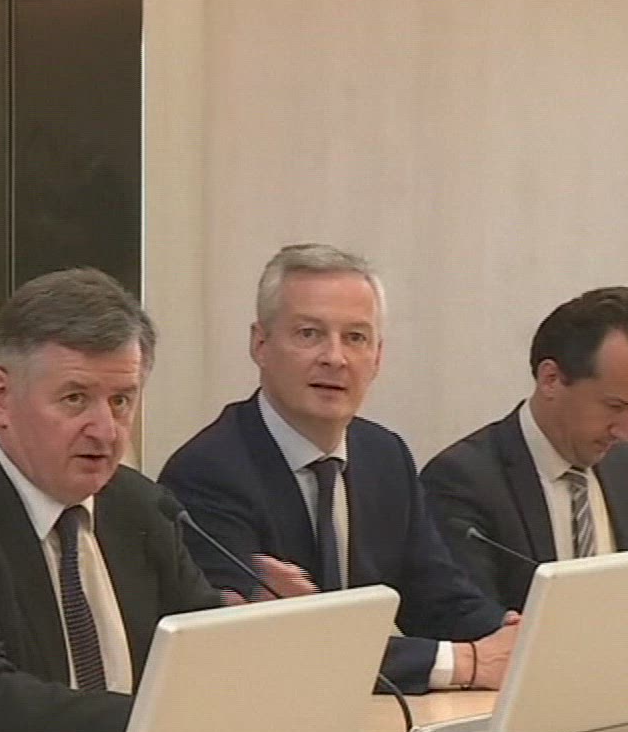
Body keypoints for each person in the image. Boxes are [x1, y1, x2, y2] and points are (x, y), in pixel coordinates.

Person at [0, 268, 301, 732]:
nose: (106, 431)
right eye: (75, 399)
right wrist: (170, 722)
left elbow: (199, 652)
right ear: (0, 399)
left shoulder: (142, 506)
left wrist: (259, 643)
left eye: (121, 401)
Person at [158, 244, 518, 695]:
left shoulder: (384, 455)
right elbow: (282, 644)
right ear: (260, 344)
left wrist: (513, 635)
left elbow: (437, 596)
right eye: (309, 334)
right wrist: (461, 663)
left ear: (378, 356)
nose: (335, 357)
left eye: (356, 338)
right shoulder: (207, 473)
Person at [421, 285, 628, 625]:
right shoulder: (463, 479)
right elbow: (464, 618)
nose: (626, 431)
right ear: (551, 379)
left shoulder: (625, 463)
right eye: (615, 406)